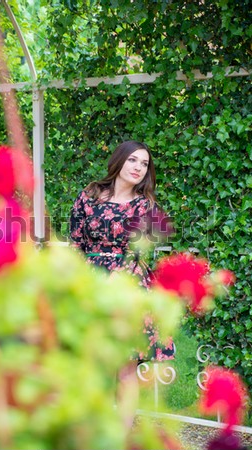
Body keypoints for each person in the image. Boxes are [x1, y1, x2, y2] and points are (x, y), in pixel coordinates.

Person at [69, 140, 175, 430]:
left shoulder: (146, 205)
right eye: (133, 160)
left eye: (144, 163)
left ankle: (122, 434)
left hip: (128, 285)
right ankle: (89, 428)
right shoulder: (89, 196)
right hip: (91, 282)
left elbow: (142, 250)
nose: (139, 167)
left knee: (126, 364)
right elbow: (76, 243)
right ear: (119, 161)